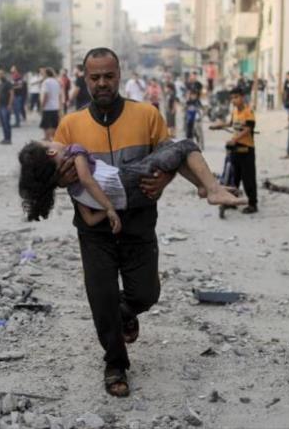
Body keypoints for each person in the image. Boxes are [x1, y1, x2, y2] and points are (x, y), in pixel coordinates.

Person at [51, 47, 177, 398]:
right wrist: (60, 178)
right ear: (85, 78)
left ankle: (125, 310)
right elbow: (57, 177)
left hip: (139, 222)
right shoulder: (70, 125)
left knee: (146, 293)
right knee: (100, 295)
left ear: (119, 75)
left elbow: (170, 156)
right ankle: (115, 363)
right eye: (95, 77)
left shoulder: (147, 115)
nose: (102, 83)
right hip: (93, 229)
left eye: (109, 76)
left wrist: (165, 178)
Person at [18, 138, 244, 229]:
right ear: (51, 151)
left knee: (168, 148)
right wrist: (108, 207)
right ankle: (213, 190)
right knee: (184, 146)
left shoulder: (73, 189)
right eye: (49, 141)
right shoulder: (76, 153)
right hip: (130, 179)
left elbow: (88, 218)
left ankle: (202, 186)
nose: (56, 139)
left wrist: (112, 208)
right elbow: (88, 178)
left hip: (131, 201)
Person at [39, 68, 61, 140]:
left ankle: (47, 138)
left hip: (48, 107)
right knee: (54, 124)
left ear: (46, 74)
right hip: (55, 106)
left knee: (46, 125)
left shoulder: (46, 82)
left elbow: (46, 95)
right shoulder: (56, 82)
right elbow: (59, 95)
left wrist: (42, 105)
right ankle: (53, 138)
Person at [0, 69, 13, 145]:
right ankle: (5, 138)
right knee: (3, 123)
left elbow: (12, 94)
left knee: (6, 122)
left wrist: (10, 104)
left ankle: (8, 139)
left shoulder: (8, 83)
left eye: (1, 74)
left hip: (6, 105)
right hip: (1, 106)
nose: (0, 75)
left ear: (4, 74)